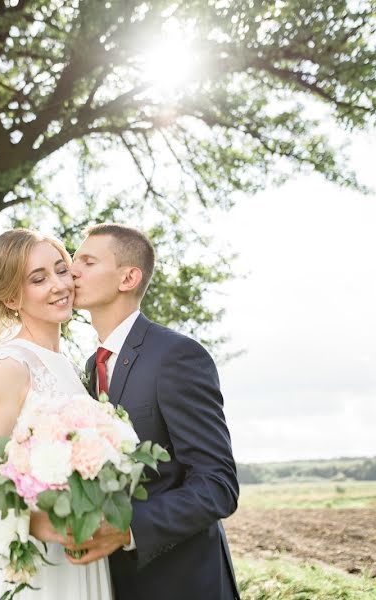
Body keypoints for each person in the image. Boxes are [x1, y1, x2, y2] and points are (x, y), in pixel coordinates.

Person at [0, 228, 113, 600]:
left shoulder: (71, 367)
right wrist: (44, 527)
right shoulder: (10, 366)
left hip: (77, 553)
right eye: (38, 279)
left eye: (62, 270)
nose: (59, 285)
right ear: (13, 297)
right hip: (32, 563)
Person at [65, 223, 240, 600]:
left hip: (183, 583)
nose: (72, 270)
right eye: (74, 260)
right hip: (112, 582)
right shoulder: (89, 366)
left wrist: (127, 527)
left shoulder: (176, 356)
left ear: (128, 277)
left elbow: (217, 484)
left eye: (88, 261)